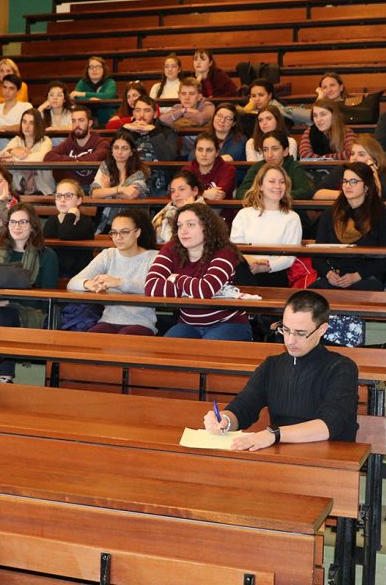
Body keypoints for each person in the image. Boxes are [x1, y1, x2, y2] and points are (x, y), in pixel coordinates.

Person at [202, 290, 359, 448]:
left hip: (328, 459)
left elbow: (330, 424)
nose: (290, 341)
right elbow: (244, 406)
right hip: (281, 453)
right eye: (285, 330)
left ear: (321, 329)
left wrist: (274, 434)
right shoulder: (272, 366)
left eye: (300, 333)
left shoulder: (341, 368)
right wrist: (225, 420)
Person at [0, 203, 59, 382]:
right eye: (13, 222)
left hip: (28, 309)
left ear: (33, 226)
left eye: (23, 222)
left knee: (1, 315)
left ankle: (5, 377)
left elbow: (47, 298)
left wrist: (12, 302)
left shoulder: (47, 255)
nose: (17, 227)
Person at [144, 203, 251, 341]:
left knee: (206, 355)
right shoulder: (172, 248)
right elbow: (151, 288)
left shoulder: (225, 251)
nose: (183, 231)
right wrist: (193, 289)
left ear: (207, 227)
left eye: (190, 225)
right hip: (188, 323)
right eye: (179, 225)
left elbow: (205, 290)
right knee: (164, 354)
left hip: (228, 323)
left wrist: (176, 279)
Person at [69, 209, 159, 335]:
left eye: (124, 232)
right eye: (114, 233)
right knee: (91, 339)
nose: (118, 237)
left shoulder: (153, 257)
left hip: (141, 322)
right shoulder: (108, 255)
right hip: (108, 320)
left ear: (138, 232)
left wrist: (119, 283)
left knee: (124, 338)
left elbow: (156, 288)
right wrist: (88, 284)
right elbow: (72, 283)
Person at [310, 162, 386, 291]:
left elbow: (384, 260)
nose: (347, 186)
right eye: (345, 181)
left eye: (353, 181)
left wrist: (357, 276)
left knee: (365, 290)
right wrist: (328, 274)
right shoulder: (330, 214)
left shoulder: (379, 216)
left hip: (365, 278)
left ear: (366, 186)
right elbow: (317, 255)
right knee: (313, 294)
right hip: (334, 277)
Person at [230, 163, 303, 288]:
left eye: (282, 182)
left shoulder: (292, 218)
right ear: (260, 186)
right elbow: (235, 249)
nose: (278, 186)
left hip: (274, 274)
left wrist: (264, 267)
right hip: (246, 269)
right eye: (272, 181)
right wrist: (252, 262)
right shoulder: (244, 214)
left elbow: (289, 258)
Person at [120, 96, 177, 195]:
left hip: (159, 180)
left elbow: (169, 158)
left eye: (147, 111)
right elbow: (115, 155)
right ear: (133, 113)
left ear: (155, 114)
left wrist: (153, 132)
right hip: (128, 177)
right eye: (138, 110)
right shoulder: (126, 131)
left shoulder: (166, 131)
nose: (141, 115)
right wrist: (126, 131)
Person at [314, 135, 386, 201]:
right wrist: (347, 194)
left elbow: (376, 196)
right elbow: (316, 194)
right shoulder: (343, 169)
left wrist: (374, 173)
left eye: (361, 154)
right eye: (352, 153)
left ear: (374, 159)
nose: (354, 158)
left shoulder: (385, 176)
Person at [42, 105, 110, 188]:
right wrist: (75, 161)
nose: (77, 125)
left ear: (90, 123)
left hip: (92, 188)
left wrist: (70, 164)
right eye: (73, 121)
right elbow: (49, 157)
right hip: (70, 188)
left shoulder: (101, 142)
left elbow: (98, 156)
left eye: (81, 120)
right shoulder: (69, 142)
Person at [236, 131, 314, 201]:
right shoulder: (257, 167)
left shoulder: (294, 167)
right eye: (265, 150)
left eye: (275, 149)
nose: (269, 155)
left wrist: (276, 195)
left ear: (285, 151)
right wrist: (263, 196)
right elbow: (241, 192)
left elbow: (305, 192)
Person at [0, 108, 54, 194]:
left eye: (31, 123)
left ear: (38, 125)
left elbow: (41, 157)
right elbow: (1, 156)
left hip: (42, 189)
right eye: (24, 122)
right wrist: (12, 150)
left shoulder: (46, 141)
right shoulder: (17, 140)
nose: (27, 126)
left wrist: (14, 159)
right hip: (19, 189)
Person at [44, 179, 97, 278]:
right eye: (59, 196)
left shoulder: (85, 221)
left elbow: (65, 234)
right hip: (56, 272)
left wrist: (72, 213)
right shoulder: (52, 220)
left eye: (68, 196)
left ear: (79, 200)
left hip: (79, 274)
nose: (62, 199)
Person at [152, 170, 206, 244]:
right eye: (173, 191)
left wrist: (189, 211)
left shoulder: (206, 215)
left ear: (195, 191)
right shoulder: (163, 214)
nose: (176, 194)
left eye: (181, 189)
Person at [187, 133, 236, 201]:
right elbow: (179, 194)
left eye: (209, 150)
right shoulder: (187, 171)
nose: (204, 154)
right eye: (200, 149)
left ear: (217, 153)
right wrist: (204, 194)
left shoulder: (228, 170)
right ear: (195, 151)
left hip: (218, 210)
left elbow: (218, 196)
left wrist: (193, 194)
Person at [70, 56, 118, 124]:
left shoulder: (110, 82)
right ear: (87, 70)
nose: (94, 70)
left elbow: (107, 96)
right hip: (86, 120)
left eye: (98, 67)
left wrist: (84, 94)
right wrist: (90, 100)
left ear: (103, 69)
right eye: (91, 67)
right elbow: (75, 97)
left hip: (106, 119)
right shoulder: (82, 82)